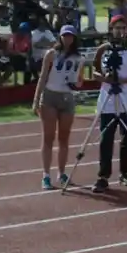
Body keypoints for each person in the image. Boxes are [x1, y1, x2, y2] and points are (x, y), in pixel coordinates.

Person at [84, 15, 127, 194]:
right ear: (111, 30)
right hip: (107, 100)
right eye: (117, 28)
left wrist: (123, 80)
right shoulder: (102, 50)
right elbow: (94, 73)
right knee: (106, 138)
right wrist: (106, 79)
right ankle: (103, 176)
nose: (120, 31)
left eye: (123, 28)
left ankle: (125, 173)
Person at [32, 24, 84, 189]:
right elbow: (43, 77)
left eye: (70, 36)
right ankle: (46, 175)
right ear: (60, 37)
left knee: (64, 138)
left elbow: (80, 81)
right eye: (65, 35)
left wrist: (76, 83)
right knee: (48, 137)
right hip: (50, 96)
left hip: (67, 97)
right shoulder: (51, 54)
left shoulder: (79, 58)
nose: (67, 39)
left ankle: (61, 173)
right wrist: (36, 99)